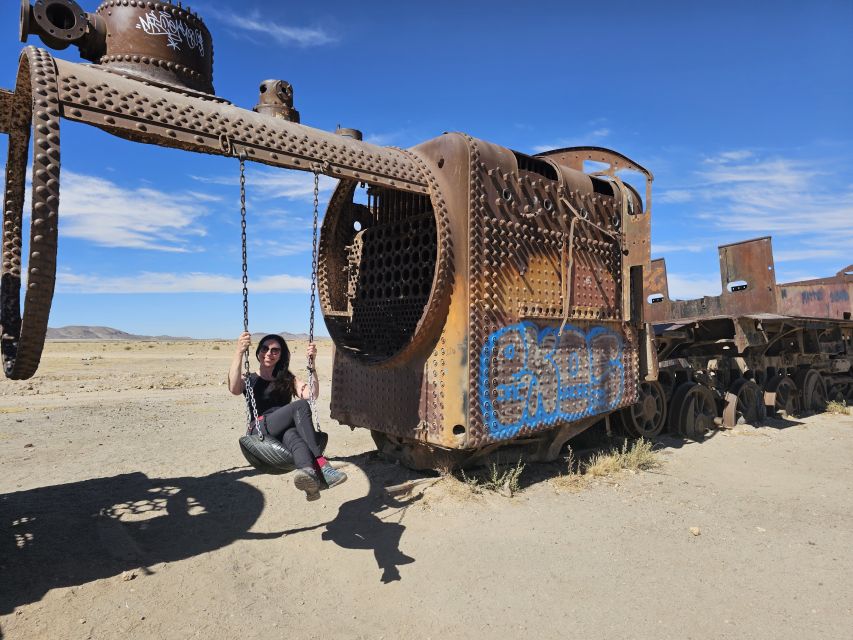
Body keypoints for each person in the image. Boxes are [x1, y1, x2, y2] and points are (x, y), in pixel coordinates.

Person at [228, 331, 346, 501]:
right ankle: (321, 463)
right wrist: (239, 351)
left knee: (295, 437)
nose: (269, 353)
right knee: (299, 406)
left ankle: (311, 483)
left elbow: (311, 394)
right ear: (258, 352)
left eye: (275, 350)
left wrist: (312, 364)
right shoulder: (249, 378)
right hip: (260, 428)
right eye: (265, 348)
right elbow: (234, 388)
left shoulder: (287, 378)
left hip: (283, 429)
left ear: (281, 355)